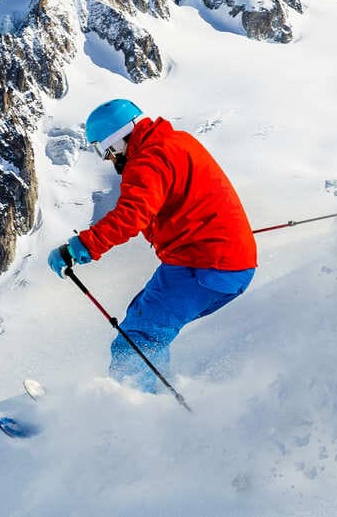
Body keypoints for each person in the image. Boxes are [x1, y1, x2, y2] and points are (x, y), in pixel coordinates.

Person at [47, 99, 257, 392]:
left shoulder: (148, 161)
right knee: (142, 320)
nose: (109, 160)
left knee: (136, 341)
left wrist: (79, 247)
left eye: (106, 151)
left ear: (118, 141)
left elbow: (131, 216)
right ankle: (156, 395)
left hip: (205, 266)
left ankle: (137, 408)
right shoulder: (176, 141)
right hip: (224, 260)